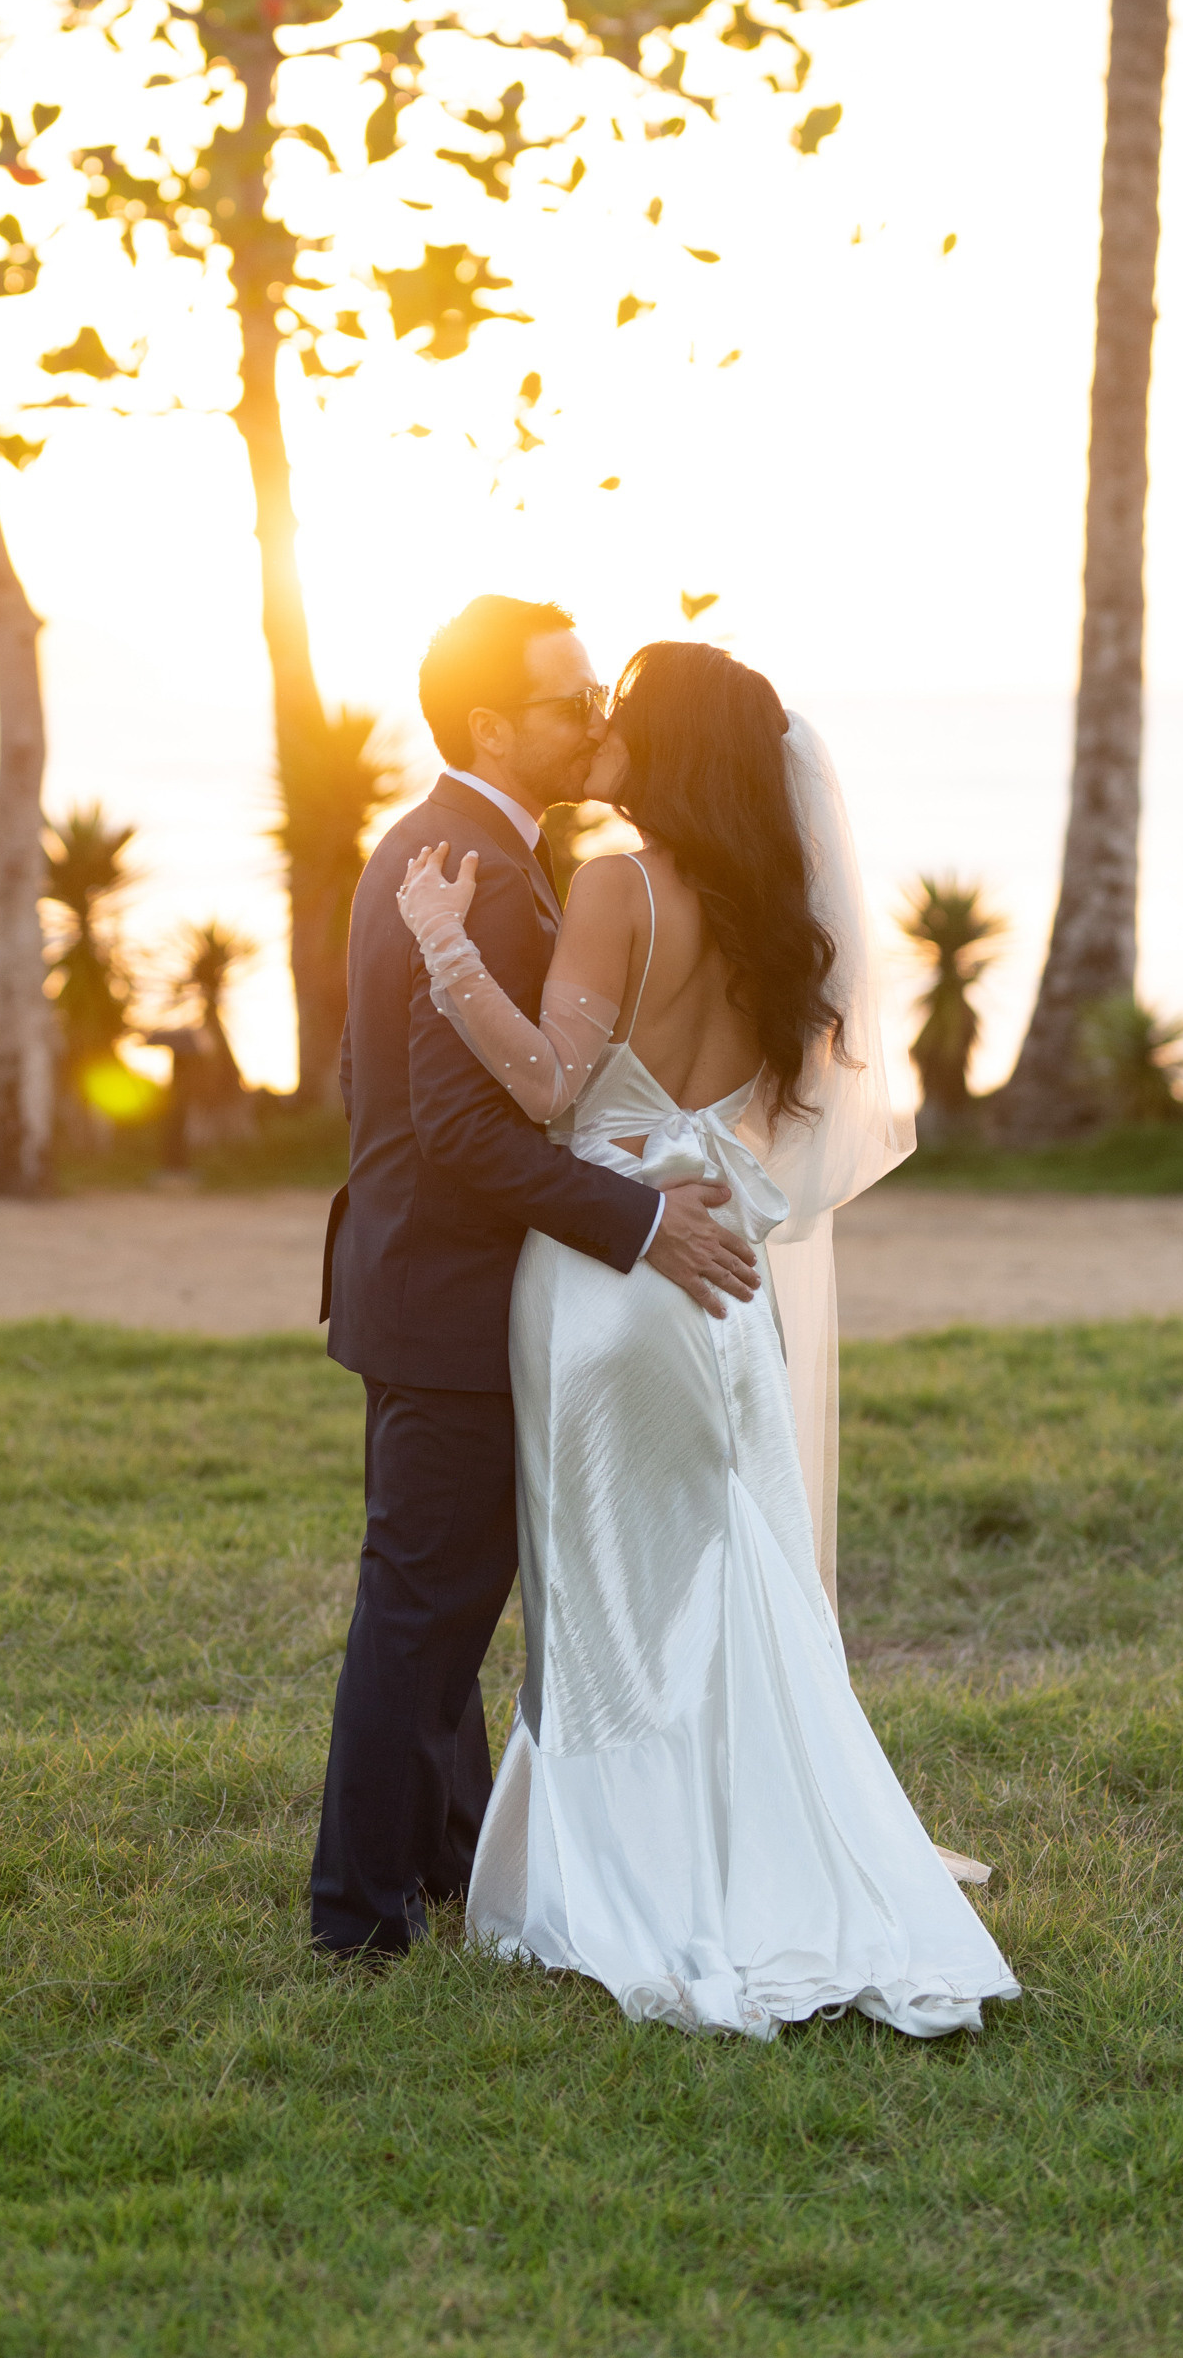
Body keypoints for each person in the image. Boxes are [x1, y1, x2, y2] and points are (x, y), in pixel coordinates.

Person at [393, 638, 1018, 2038]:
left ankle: (629, 1879)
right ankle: (771, 1859)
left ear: (666, 746)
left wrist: (443, 946)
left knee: (609, 1606)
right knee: (734, 1593)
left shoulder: (618, 885)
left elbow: (555, 1090)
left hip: (610, 1281)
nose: (602, 720)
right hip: (725, 1288)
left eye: (626, 708)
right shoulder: (767, 916)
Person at [312, 596, 760, 1963]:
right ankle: (357, 1916)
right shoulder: (481, 874)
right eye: (572, 702)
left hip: (417, 1278)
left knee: (446, 1600)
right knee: (425, 1607)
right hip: (445, 1295)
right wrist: (637, 1218)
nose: (599, 720)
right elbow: (459, 1125)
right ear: (494, 725)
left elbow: (380, 1084)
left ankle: (440, 1864)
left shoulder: (453, 849)